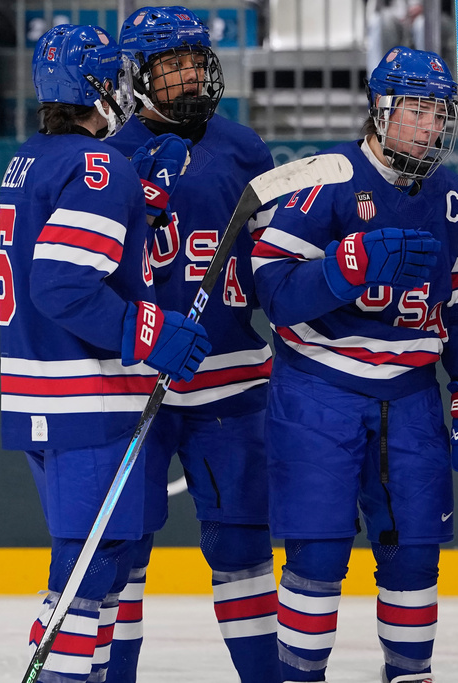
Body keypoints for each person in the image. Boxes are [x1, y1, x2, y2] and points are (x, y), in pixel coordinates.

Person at [251, 45, 458, 683]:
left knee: (414, 555)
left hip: (412, 396)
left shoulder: (451, 194)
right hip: (319, 389)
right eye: (414, 110)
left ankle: (409, 675)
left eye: (438, 113)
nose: (428, 126)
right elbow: (274, 292)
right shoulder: (329, 177)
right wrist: (344, 270)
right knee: (317, 553)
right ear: (380, 112)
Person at [0, 24, 209, 683]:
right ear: (101, 88)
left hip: (37, 393)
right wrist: (151, 332)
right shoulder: (95, 166)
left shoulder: (29, 160)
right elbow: (62, 283)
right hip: (82, 397)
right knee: (88, 567)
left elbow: (61, 248)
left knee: (101, 555)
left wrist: (139, 199)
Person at [102, 6, 280, 682]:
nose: (187, 75)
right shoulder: (110, 157)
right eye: (170, 64)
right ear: (139, 77)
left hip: (233, 387)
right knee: (123, 550)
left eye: (193, 61)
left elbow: (269, 265)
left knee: (242, 546)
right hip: (137, 385)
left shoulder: (242, 146)